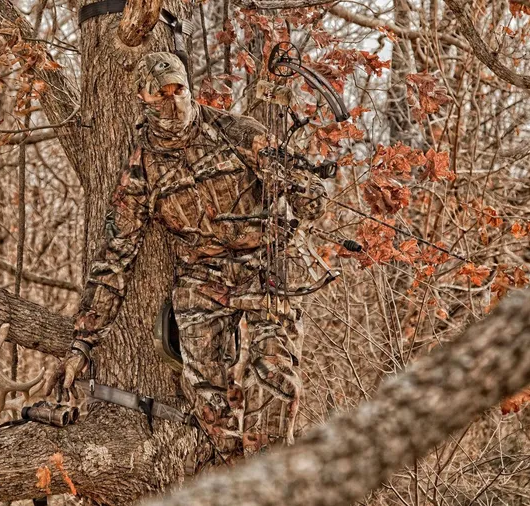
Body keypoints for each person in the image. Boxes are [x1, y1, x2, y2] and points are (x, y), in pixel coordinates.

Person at [48, 52, 326, 457]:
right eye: (161, 93)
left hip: (265, 263)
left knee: (274, 378)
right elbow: (115, 258)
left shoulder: (238, 132)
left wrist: (303, 187)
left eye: (179, 90)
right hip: (203, 276)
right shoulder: (141, 170)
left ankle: (270, 473)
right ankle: (232, 474)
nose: (173, 100)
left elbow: (312, 201)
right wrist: (82, 345)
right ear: (142, 97)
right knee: (205, 394)